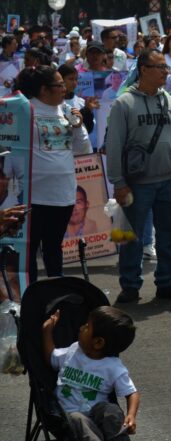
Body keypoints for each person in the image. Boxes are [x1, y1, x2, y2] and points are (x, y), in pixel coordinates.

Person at [105, 50, 171, 304]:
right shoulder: (124, 103)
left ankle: (167, 283)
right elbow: (114, 145)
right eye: (160, 68)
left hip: (167, 181)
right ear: (143, 69)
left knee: (169, 235)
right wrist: (119, 183)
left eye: (166, 68)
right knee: (129, 237)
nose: (166, 72)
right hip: (136, 184)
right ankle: (130, 286)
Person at [13, 65, 91, 283]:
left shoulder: (65, 110)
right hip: (33, 195)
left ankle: (56, 294)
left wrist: (78, 126)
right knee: (29, 251)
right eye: (59, 85)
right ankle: (29, 296)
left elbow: (83, 149)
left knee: (54, 248)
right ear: (43, 90)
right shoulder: (24, 110)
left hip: (63, 194)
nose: (64, 89)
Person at [42, 306, 139, 441]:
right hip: (66, 417)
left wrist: (131, 415)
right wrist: (47, 331)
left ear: (98, 342)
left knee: (112, 411)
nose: (81, 328)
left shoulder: (113, 367)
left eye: (86, 326)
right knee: (78, 418)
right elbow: (51, 358)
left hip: (96, 416)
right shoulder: (74, 350)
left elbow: (132, 393)